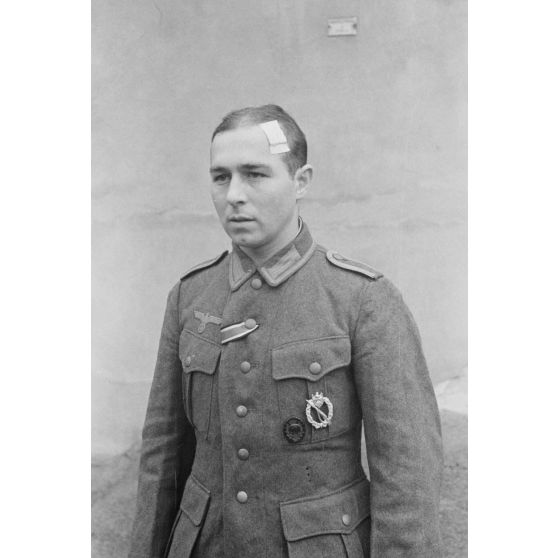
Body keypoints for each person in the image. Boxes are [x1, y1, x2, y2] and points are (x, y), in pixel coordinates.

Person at [129, 104, 443, 558]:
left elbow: (407, 475)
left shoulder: (362, 300)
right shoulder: (190, 296)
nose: (234, 194)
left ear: (301, 181)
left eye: (255, 174)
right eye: (221, 177)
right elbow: (162, 458)